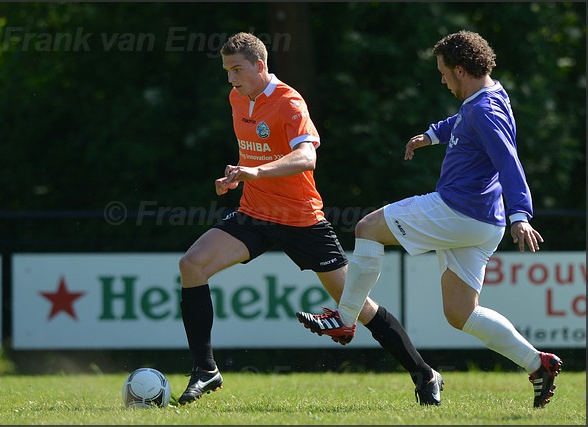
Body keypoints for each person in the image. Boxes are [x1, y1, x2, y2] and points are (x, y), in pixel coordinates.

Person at [296, 30, 563, 409]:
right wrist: (433, 135)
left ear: (459, 69)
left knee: (367, 228)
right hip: (482, 224)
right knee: (460, 313)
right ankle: (538, 364)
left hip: (459, 210)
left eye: (443, 73)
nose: (441, 80)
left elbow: (509, 162)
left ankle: (345, 316)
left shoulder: (485, 109)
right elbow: (462, 122)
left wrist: (522, 214)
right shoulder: (488, 97)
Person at [177, 31, 443, 406]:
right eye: (226, 70)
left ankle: (424, 373)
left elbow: (307, 158)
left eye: (237, 69)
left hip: (301, 220)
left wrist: (255, 172)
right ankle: (206, 370)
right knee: (191, 265)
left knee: (357, 305)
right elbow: (254, 154)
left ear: (260, 65)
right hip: (253, 213)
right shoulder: (237, 98)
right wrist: (239, 175)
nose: (231, 78)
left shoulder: (289, 102)